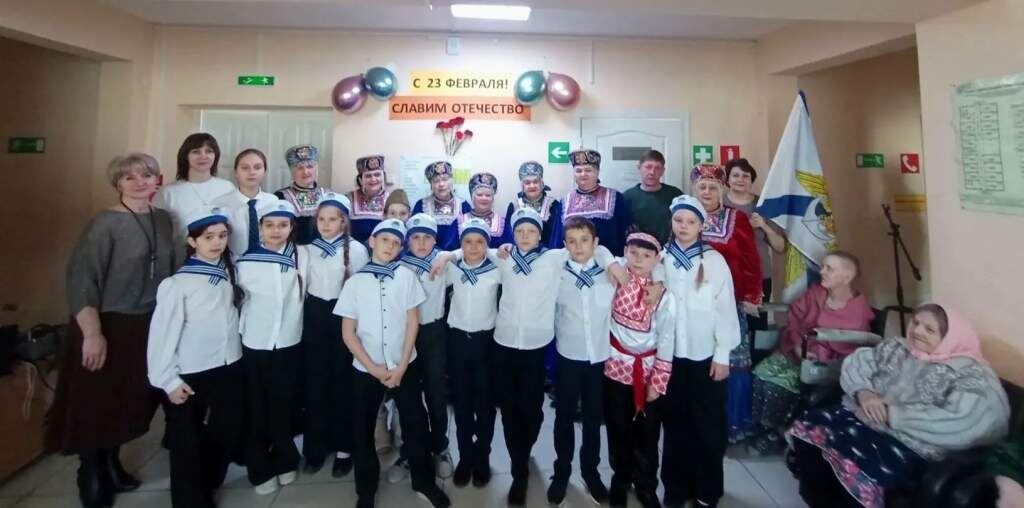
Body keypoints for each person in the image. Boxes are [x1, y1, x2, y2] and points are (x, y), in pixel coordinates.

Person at [433, 208, 621, 505]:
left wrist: (611, 262)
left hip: (536, 346)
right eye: (519, 231)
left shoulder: (554, 258)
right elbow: (472, 248)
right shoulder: (503, 258)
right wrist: (447, 255)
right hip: (504, 345)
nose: (524, 236)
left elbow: (591, 248)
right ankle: (518, 472)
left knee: (532, 411)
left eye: (531, 231)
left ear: (540, 234)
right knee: (509, 411)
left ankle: (529, 447)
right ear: (512, 233)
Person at [788, 304, 1010, 508]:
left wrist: (894, 416)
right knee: (810, 426)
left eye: (929, 329)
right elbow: (858, 362)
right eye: (916, 322)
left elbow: (972, 419)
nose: (917, 331)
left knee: (856, 464)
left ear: (949, 337)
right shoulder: (899, 347)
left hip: (912, 443)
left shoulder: (971, 374)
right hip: (866, 417)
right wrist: (864, 393)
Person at [48, 153, 175, 508]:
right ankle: (91, 470)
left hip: (147, 323)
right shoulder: (104, 224)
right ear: (118, 183)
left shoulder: (163, 219)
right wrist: (92, 333)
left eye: (146, 175)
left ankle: (112, 463)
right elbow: (82, 279)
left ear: (157, 180)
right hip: (108, 323)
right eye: (129, 177)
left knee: (128, 400)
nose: (139, 182)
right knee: (96, 402)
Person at [336, 219, 451, 508]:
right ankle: (366, 491)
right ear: (372, 241)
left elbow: (413, 322)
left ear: (401, 249)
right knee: (362, 429)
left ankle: (423, 482)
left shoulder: (406, 276)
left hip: (404, 365)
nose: (390, 246)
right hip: (366, 368)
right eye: (385, 239)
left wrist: (401, 365)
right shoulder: (354, 282)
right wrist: (373, 367)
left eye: (396, 243)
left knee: (416, 422)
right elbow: (348, 333)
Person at [146, 206, 244, 508]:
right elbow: (162, 335)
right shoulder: (177, 284)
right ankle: (191, 500)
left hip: (228, 365)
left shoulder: (228, 272)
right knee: (186, 439)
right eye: (208, 237)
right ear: (192, 242)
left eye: (222, 236)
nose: (217, 242)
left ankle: (209, 481)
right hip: (191, 371)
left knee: (225, 428)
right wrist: (167, 380)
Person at [659, 195, 740, 508]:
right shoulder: (661, 258)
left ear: (701, 226)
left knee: (708, 426)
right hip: (670, 357)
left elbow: (725, 308)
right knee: (675, 424)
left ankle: (708, 490)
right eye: (678, 220)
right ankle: (675, 488)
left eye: (691, 222)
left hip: (706, 357)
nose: (683, 226)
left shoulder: (714, 261)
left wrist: (723, 354)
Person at [748, 251, 873, 455]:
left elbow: (849, 348)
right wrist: (798, 345)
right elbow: (795, 318)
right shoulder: (816, 293)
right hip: (796, 349)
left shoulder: (857, 311)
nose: (821, 271)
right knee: (761, 373)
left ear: (846, 277)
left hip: (826, 363)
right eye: (823, 266)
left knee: (777, 383)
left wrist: (810, 351)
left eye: (829, 268)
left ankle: (775, 433)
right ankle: (762, 426)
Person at [236, 199, 307, 495]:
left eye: (282, 225)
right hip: (255, 342)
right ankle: (259, 467)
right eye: (269, 225)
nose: (276, 230)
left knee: (283, 403)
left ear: (291, 227)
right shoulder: (245, 261)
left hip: (289, 340)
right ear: (260, 228)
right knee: (256, 406)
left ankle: (285, 458)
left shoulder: (302, 255)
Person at [297, 192, 368, 477]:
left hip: (345, 320)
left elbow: (362, 291)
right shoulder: (306, 250)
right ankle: (315, 448)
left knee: (343, 385)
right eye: (321, 219)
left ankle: (344, 449)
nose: (326, 225)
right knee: (315, 384)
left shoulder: (358, 250)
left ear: (343, 222)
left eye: (333, 220)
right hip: (315, 320)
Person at [690, 163, 762, 442]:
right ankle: (699, 419)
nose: (707, 192)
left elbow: (750, 260)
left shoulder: (736, 219)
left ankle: (732, 424)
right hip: (693, 305)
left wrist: (751, 295)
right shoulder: (685, 216)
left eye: (712, 187)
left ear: (721, 190)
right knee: (698, 359)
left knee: (732, 362)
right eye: (702, 187)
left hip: (730, 303)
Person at [547, 217, 616, 506]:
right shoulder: (556, 271)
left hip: (599, 358)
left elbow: (651, 261)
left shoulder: (610, 271)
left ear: (596, 243)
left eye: (585, 240)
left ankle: (591, 472)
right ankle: (561, 472)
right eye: (572, 241)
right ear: (565, 245)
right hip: (568, 357)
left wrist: (607, 257)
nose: (578, 247)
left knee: (593, 417)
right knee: (563, 416)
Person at [604, 232, 675, 508]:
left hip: (647, 371)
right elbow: (598, 252)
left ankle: (646, 485)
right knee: (617, 427)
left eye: (646, 256)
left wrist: (659, 380)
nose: (638, 260)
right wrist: (614, 264)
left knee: (648, 433)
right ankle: (620, 480)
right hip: (615, 367)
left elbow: (667, 337)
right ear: (625, 252)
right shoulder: (615, 277)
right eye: (633, 253)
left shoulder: (662, 294)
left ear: (657, 260)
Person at [436, 217, 504, 490]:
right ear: (460, 244)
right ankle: (465, 456)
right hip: (457, 342)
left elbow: (503, 254)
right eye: (468, 242)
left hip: (486, 343)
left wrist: (493, 250)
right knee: (462, 403)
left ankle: (482, 454)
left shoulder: (496, 269)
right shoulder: (452, 269)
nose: (474, 247)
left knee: (484, 405)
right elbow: (440, 261)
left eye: (480, 242)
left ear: (487, 245)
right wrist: (450, 255)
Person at [391, 214, 455, 482]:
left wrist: (449, 255)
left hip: (433, 333)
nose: (421, 242)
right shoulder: (398, 265)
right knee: (408, 398)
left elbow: (474, 254)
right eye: (415, 237)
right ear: (407, 241)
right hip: (404, 335)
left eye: (427, 237)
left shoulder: (443, 262)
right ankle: (410, 451)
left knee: (436, 394)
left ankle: (440, 447)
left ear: (435, 240)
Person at [722, 158, 786, 360]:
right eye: (735, 175)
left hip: (758, 277)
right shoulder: (719, 203)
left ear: (751, 181)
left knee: (756, 328)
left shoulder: (763, 206)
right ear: (727, 179)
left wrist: (764, 226)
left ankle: (755, 368)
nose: (740, 179)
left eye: (746, 176)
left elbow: (780, 247)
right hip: (725, 276)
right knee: (725, 325)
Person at [154, 133, 236, 263]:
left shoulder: (228, 187)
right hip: (182, 261)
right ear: (185, 156)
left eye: (209, 151)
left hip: (222, 261)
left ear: (215, 156)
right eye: (196, 151)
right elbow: (159, 235)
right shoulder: (168, 192)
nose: (203, 156)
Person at [554, 148, 632, 256]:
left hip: (608, 261)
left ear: (597, 172)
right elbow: (557, 238)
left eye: (588, 170)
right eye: (578, 171)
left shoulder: (615, 197)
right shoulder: (565, 202)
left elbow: (625, 233)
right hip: (573, 262)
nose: (583, 174)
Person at [211, 148, 278, 257]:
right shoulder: (220, 204)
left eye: (257, 167)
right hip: (233, 264)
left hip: (268, 261)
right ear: (236, 172)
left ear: (265, 172)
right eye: (245, 168)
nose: (252, 172)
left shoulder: (273, 202)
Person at [623, 150, 683, 245]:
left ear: (663, 171)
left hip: (670, 250)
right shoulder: (627, 197)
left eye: (657, 168)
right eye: (648, 167)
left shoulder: (675, 195)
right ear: (639, 167)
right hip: (639, 251)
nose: (652, 172)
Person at [274, 145, 331, 245]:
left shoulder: (328, 195)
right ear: (292, 171)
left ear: (316, 169)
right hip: (294, 251)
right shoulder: (280, 197)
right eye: (300, 168)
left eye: (310, 167)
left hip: (325, 251)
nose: (305, 172)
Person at [411, 161, 470, 251]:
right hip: (428, 255)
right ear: (431, 185)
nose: (441, 184)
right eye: (436, 181)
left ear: (451, 181)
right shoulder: (421, 205)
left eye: (445, 179)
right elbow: (414, 237)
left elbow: (470, 237)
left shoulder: (463, 205)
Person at [503, 161, 562, 248]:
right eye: (527, 183)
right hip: (519, 253)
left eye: (535, 182)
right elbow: (508, 237)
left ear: (542, 184)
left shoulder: (553, 205)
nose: (532, 186)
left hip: (547, 253)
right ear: (522, 186)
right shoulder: (514, 206)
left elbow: (557, 236)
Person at [456, 172, 508, 248]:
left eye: (488, 195)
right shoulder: (460, 221)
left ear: (493, 198)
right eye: (479, 195)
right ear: (472, 197)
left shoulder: (502, 223)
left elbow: (509, 248)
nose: (484, 198)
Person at [347, 154, 391, 244]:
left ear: (383, 177)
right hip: (354, 249)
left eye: (377, 175)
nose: (373, 179)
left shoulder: (390, 199)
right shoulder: (349, 199)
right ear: (360, 180)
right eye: (368, 176)